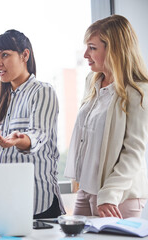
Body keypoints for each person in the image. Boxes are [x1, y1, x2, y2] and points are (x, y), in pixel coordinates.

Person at [0, 29, 65, 219]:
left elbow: (38, 135)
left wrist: (19, 140)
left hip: (38, 204)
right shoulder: (4, 99)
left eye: (5, 55)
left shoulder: (42, 91)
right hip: (8, 202)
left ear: (25, 55)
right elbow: (7, 156)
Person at [64, 15, 148, 219]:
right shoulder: (91, 82)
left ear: (113, 50)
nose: (85, 54)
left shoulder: (138, 92)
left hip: (118, 197)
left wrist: (110, 194)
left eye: (92, 48)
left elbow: (134, 152)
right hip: (86, 190)